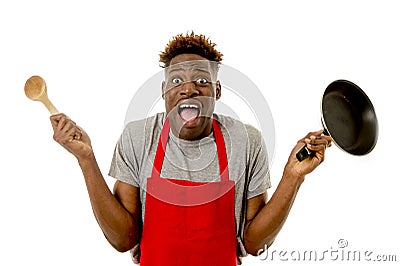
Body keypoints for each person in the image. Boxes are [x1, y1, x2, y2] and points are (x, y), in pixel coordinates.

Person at [50, 32, 332, 265]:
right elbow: (123, 240)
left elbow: (255, 244)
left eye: (201, 80)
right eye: (176, 81)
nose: (188, 89)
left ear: (217, 91)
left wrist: (293, 176)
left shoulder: (246, 140)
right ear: (163, 92)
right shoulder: (138, 136)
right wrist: (86, 160)